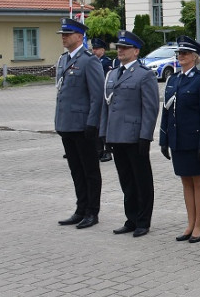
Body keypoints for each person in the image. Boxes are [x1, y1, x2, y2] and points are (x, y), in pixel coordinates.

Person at [100, 30, 160, 237]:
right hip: (116, 135)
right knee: (126, 180)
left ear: (136, 51)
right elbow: (106, 106)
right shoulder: (113, 73)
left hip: (135, 136)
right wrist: (104, 134)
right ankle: (131, 218)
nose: (120, 51)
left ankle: (143, 221)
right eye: (119, 48)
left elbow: (150, 108)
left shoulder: (145, 75)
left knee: (141, 180)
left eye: (125, 48)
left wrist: (146, 136)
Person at [160, 36, 200, 243]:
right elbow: (166, 111)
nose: (181, 56)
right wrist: (163, 139)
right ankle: (190, 222)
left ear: (194, 57)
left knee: (199, 181)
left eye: (184, 53)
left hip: (195, 139)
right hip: (178, 139)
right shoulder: (173, 80)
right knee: (185, 181)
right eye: (179, 53)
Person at [54, 18, 105, 229]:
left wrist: (92, 124)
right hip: (67, 124)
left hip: (84, 126)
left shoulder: (89, 60)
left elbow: (97, 96)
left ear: (80, 37)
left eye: (68, 34)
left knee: (90, 171)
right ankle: (80, 208)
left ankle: (92, 212)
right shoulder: (63, 60)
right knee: (76, 170)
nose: (64, 37)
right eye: (62, 34)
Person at [90, 37, 115, 163]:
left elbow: (107, 81)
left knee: (104, 125)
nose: (94, 51)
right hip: (95, 98)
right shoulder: (92, 62)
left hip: (105, 98)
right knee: (96, 126)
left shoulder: (106, 63)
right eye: (93, 48)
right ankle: (98, 150)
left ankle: (108, 151)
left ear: (103, 50)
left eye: (96, 49)